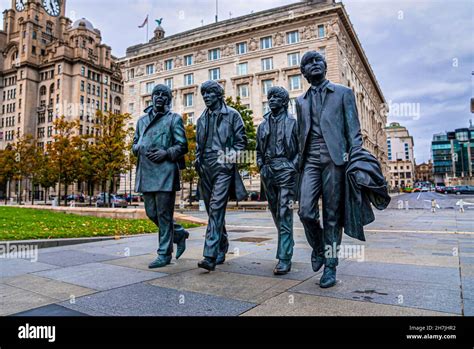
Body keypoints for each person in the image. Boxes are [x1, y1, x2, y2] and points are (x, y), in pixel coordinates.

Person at [132, 84, 189, 269]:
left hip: (165, 172)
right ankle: (179, 233)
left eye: (164, 95)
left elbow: (182, 145)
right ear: (152, 97)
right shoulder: (141, 121)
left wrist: (166, 153)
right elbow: (134, 142)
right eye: (156, 94)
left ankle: (164, 254)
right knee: (151, 213)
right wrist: (137, 148)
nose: (159, 97)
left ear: (169, 99)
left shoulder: (174, 119)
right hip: (146, 171)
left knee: (164, 215)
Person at [195, 80, 248, 271]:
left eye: (210, 93)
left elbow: (242, 142)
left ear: (218, 94)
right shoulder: (201, 119)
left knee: (217, 208)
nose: (206, 97)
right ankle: (222, 245)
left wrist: (228, 159)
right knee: (212, 211)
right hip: (205, 168)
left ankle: (209, 255)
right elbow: (198, 146)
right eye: (204, 94)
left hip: (223, 167)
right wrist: (197, 161)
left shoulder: (232, 115)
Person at [256, 86, 299, 275]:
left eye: (276, 97)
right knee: (275, 212)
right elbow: (258, 149)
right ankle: (287, 241)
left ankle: (284, 257)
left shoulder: (294, 123)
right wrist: (261, 166)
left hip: (286, 170)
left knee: (284, 211)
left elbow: (301, 149)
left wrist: (292, 166)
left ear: (284, 101)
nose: (271, 100)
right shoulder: (262, 125)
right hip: (268, 170)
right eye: (270, 97)